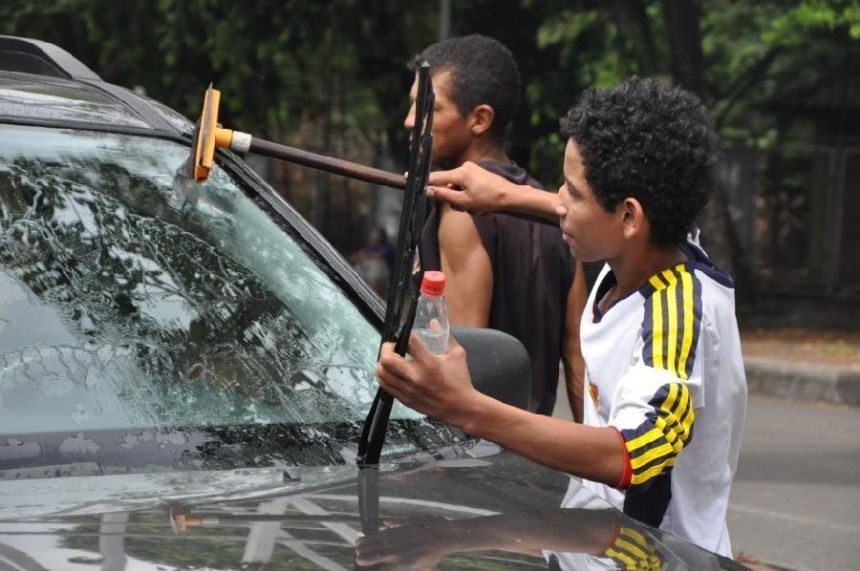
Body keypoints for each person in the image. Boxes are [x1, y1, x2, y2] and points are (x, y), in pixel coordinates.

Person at [377, 77, 748, 557]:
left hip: (657, 556)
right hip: (593, 546)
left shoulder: (679, 315)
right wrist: (505, 196)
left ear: (630, 217)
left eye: (572, 192)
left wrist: (463, 406)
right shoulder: (646, 249)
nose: (558, 202)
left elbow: (632, 454)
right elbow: (607, 216)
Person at [405, 34, 587, 418]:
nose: (409, 121)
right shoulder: (557, 212)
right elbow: (579, 365)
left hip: (481, 456)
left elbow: (467, 362)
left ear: (480, 119)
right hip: (537, 450)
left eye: (426, 109)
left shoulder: (462, 211)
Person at [350, 227, 394, 296]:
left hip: (384, 278)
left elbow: (379, 256)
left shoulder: (388, 248)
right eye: (372, 238)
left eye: (375, 238)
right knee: (359, 265)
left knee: (377, 266)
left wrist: (364, 256)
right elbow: (354, 257)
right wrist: (361, 256)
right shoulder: (369, 248)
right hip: (367, 274)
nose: (372, 240)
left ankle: (375, 297)